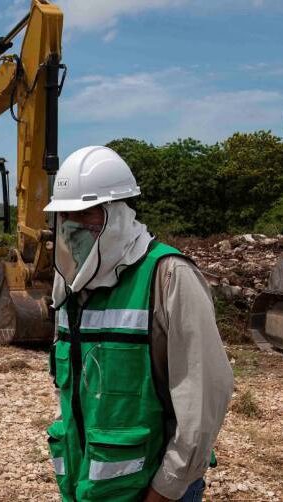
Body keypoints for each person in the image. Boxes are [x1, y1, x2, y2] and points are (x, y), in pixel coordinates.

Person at [42, 146, 234, 502]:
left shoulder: (169, 277)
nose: (71, 227)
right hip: (90, 488)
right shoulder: (68, 287)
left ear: (115, 215)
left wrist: (165, 489)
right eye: (65, 215)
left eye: (85, 214)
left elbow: (202, 404)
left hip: (156, 492)